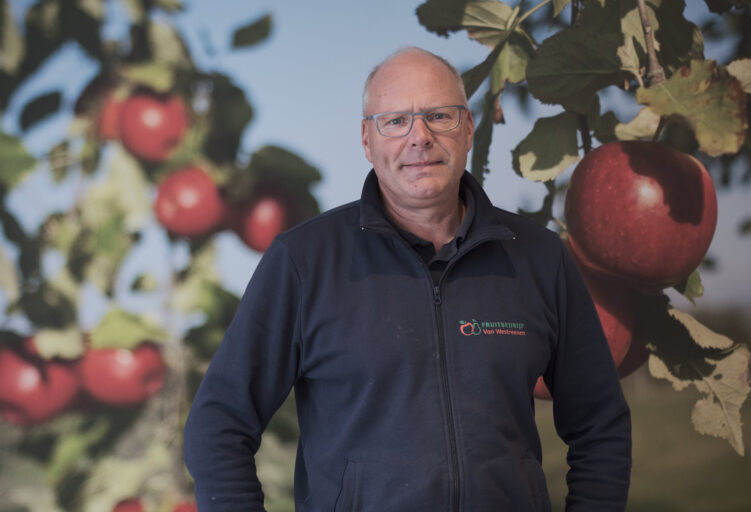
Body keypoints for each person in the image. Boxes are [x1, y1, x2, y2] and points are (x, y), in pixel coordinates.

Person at [184, 47, 632, 511]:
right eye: (395, 121)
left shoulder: (539, 257)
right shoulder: (303, 262)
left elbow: (600, 424)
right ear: (366, 140)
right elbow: (218, 427)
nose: (420, 137)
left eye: (439, 115)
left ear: (468, 129)